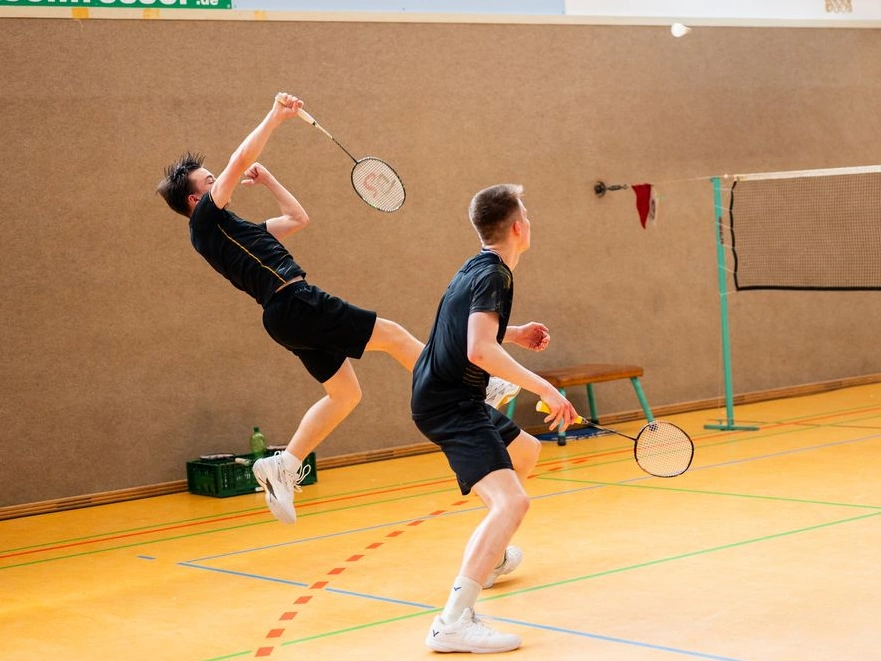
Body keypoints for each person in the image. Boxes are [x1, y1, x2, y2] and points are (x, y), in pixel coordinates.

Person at [157, 92, 519, 526]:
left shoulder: (236, 232)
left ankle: (283, 465)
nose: (219, 182)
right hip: (295, 300)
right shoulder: (204, 225)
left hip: (285, 316)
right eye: (209, 181)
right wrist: (275, 118)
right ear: (196, 200)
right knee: (396, 336)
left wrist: (269, 180)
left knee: (346, 394)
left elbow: (297, 218)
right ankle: (476, 385)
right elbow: (236, 159)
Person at [411, 184, 579, 653]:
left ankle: (494, 555)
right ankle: (453, 622)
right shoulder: (496, 277)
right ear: (518, 227)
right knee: (513, 504)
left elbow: (475, 327)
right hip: (451, 403)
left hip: (441, 393)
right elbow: (479, 349)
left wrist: (516, 332)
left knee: (526, 450)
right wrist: (544, 387)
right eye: (527, 213)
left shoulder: (479, 266)